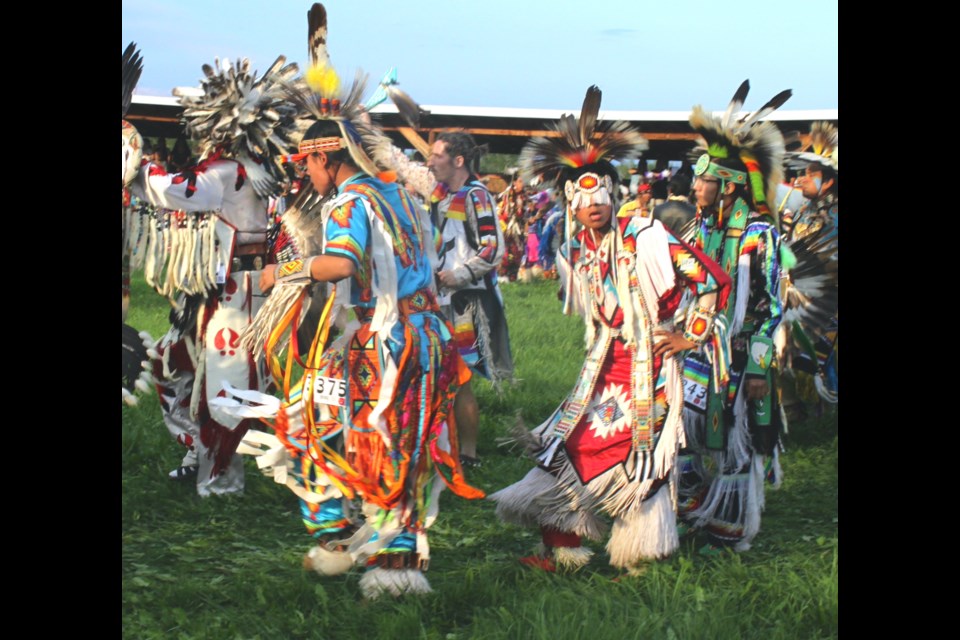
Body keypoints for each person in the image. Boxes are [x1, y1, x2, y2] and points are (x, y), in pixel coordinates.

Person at [231, 36, 484, 597]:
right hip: (427, 336)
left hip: (391, 343)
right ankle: (390, 560)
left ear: (325, 157)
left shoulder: (349, 201)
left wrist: (284, 274)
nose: (308, 176)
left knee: (319, 427)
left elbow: (342, 263)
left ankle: (338, 536)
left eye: (308, 164)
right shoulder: (395, 193)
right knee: (401, 445)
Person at [490, 86, 730, 573]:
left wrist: (691, 334)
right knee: (568, 445)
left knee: (644, 459)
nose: (594, 204)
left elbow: (713, 281)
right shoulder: (580, 250)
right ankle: (564, 547)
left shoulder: (646, 236)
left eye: (601, 193)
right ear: (571, 206)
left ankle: (639, 556)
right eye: (584, 198)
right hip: (602, 369)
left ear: (612, 194)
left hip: (651, 370)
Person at [129, 54, 302, 496]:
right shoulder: (244, 171)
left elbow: (175, 190)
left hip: (234, 298)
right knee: (169, 366)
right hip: (210, 294)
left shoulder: (227, 173)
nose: (199, 135)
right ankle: (202, 450)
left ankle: (231, 472)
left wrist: (135, 160)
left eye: (204, 128)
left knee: (226, 386)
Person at [677, 80, 791, 553]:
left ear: (727, 185)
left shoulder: (758, 235)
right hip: (703, 347)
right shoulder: (701, 227)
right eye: (697, 178)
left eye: (703, 180)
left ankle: (731, 523)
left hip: (743, 353)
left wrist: (761, 364)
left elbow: (771, 303)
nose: (695, 186)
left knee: (737, 440)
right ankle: (697, 502)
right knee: (693, 427)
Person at [427, 132, 515, 465]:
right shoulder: (440, 195)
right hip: (440, 299)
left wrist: (459, 274)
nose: (430, 161)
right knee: (438, 374)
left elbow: (493, 249)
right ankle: (442, 444)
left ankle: (468, 454)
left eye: (437, 155)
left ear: (458, 161)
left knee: (460, 377)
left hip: (466, 301)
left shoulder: (476, 196)